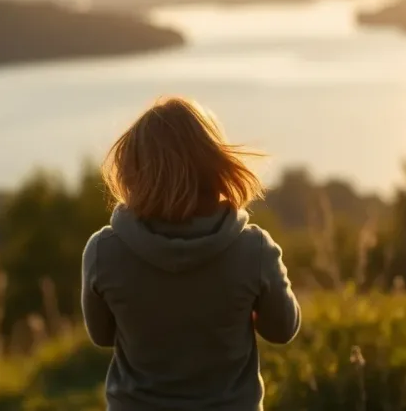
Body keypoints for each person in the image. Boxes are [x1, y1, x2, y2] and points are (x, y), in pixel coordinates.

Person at [81, 96, 301, 410]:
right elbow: (282, 329)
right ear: (215, 166)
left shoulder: (104, 252)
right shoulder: (254, 250)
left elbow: (102, 335)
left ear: (133, 173)